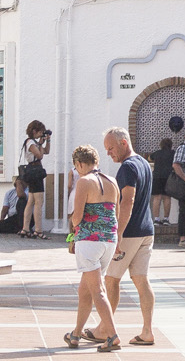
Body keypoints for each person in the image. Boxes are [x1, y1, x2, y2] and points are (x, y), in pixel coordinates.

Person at [100, 128, 155, 347]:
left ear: (124, 143)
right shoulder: (143, 163)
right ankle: (147, 331)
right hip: (147, 230)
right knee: (141, 280)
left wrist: (118, 233)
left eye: (111, 148)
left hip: (130, 232)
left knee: (111, 279)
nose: (108, 153)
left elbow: (127, 200)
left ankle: (104, 329)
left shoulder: (127, 167)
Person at [65, 143, 122, 352]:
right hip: (109, 241)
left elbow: (77, 217)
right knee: (85, 290)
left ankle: (112, 335)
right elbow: (116, 214)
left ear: (79, 164)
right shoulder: (112, 181)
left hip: (89, 241)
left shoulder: (84, 181)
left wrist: (72, 232)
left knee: (98, 290)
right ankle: (76, 334)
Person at [21, 120, 52, 239]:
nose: (41, 134)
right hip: (35, 171)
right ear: (34, 131)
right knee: (39, 202)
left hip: (33, 171)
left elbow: (46, 151)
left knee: (31, 201)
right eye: (40, 132)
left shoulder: (34, 142)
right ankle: (38, 230)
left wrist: (47, 141)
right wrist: (39, 144)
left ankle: (25, 228)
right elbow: (39, 155)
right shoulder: (30, 142)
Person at [149, 138, 175, 231]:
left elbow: (149, 158)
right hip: (168, 177)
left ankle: (156, 219)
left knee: (157, 198)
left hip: (157, 176)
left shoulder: (157, 153)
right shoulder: (173, 153)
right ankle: (166, 219)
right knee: (167, 198)